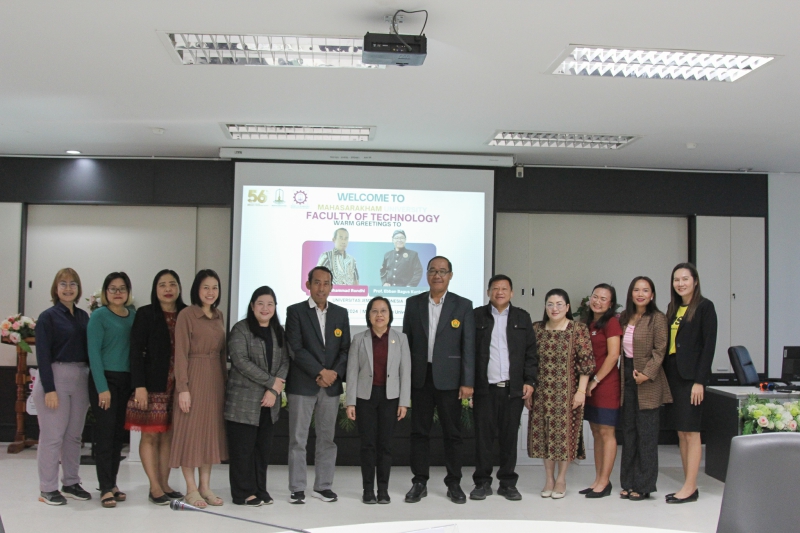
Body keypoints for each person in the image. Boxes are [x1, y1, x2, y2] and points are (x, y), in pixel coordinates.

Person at [402, 256, 475, 504]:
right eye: (433, 270)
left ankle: (453, 483)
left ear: (450, 275)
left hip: (451, 381)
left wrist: (467, 382)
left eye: (443, 271)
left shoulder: (463, 305)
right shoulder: (413, 304)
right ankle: (419, 482)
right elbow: (407, 345)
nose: (437, 275)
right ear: (427, 274)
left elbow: (468, 346)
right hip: (421, 379)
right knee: (419, 433)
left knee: (452, 434)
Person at [285, 266, 351, 504]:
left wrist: (333, 374)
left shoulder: (341, 314)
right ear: (308, 285)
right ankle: (297, 487)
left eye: (326, 283)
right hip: (303, 384)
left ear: (332, 286)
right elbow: (295, 348)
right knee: (298, 439)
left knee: (327, 438)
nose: (321, 288)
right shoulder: (295, 312)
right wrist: (319, 371)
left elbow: (345, 349)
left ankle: (323, 486)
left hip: (330, 386)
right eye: (317, 283)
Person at [470, 275, 537, 502]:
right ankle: (482, 482)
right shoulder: (476, 316)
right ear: (489, 292)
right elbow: (468, 353)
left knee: (509, 438)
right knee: (483, 439)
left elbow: (530, 354)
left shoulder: (522, 318)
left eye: (504, 288)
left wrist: (529, 381)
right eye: (495, 288)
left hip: (512, 389)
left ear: (512, 292)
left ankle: (507, 483)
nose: (500, 292)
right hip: (484, 389)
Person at [125, 269, 187, 505]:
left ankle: (165, 483)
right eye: (162, 284)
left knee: (169, 436)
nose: (168, 289)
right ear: (155, 289)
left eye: (172, 284)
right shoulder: (145, 314)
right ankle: (154, 486)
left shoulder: (185, 313)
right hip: (152, 386)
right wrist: (139, 385)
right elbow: (136, 352)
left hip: (178, 387)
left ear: (179, 288)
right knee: (151, 435)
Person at [225, 286, 290, 507]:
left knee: (262, 450)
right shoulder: (241, 329)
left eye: (270, 304)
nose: (265, 308)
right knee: (243, 450)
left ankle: (260, 489)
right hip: (242, 402)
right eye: (260, 303)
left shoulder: (278, 331)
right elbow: (241, 361)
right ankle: (243, 493)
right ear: (252, 306)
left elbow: (285, 362)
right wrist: (270, 381)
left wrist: (273, 390)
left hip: (269, 402)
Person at [32, 268, 92, 505]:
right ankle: (47, 488)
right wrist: (49, 389)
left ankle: (70, 482)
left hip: (80, 377)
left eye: (73, 284)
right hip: (55, 376)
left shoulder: (83, 317)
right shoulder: (48, 317)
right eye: (63, 284)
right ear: (56, 289)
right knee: (52, 437)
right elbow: (42, 355)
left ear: (78, 289)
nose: (68, 288)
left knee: (74, 436)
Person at [528, 289, 594, 499]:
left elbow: (586, 363)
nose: (554, 308)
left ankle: (561, 479)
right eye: (550, 304)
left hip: (568, 393)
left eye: (559, 304)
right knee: (545, 437)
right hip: (541, 393)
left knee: (564, 437)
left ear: (567, 307)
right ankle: (548, 478)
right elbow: (528, 362)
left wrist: (581, 391)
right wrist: (528, 389)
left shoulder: (578, 329)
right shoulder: (536, 329)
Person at [169, 269, 228, 508]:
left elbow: (223, 354)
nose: (210, 292)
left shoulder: (219, 316)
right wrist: (182, 388)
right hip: (192, 377)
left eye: (214, 287)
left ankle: (205, 486)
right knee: (189, 432)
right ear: (196, 289)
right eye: (206, 287)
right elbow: (180, 354)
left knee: (209, 434)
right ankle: (190, 488)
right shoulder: (187, 315)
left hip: (214, 379)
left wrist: (225, 383)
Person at [345, 297, 411, 504]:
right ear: (368, 315)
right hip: (366, 397)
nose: (379, 315)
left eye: (383, 311)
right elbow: (352, 372)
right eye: (374, 311)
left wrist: (404, 402)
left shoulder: (401, 339)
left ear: (390, 314)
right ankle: (367, 490)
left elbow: (405, 372)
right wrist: (350, 402)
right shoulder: (359, 339)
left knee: (386, 445)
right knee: (368, 445)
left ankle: (383, 490)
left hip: (390, 398)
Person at [664, 263, 717, 504]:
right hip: (673, 376)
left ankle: (690, 486)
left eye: (685, 278)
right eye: (676, 279)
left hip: (691, 379)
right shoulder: (673, 308)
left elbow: (708, 347)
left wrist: (700, 381)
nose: (680, 283)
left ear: (695, 281)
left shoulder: (705, 307)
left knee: (691, 432)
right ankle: (689, 483)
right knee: (681, 432)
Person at [618, 276, 672, 501]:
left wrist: (646, 374)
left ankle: (644, 485)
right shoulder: (624, 317)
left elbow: (661, 350)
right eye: (636, 290)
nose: (640, 294)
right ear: (631, 293)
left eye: (645, 290)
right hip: (627, 378)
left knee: (647, 435)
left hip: (648, 379)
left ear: (652, 295)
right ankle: (628, 482)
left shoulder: (657, 318)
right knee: (629, 433)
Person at [87, 272, 136, 508]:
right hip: (104, 381)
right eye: (113, 288)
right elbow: (93, 354)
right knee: (105, 435)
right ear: (105, 292)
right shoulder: (99, 316)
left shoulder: (133, 316)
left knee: (118, 436)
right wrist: (101, 388)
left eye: (122, 288)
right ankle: (104, 487)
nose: (118, 293)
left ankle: (113, 483)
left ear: (128, 292)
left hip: (125, 382)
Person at [581, 283, 622, 499]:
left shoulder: (612, 323)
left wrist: (596, 380)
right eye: (595, 296)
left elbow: (613, 355)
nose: (597, 301)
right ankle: (597, 479)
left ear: (611, 304)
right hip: (590, 385)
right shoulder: (588, 323)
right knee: (596, 432)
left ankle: (605, 482)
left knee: (607, 433)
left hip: (605, 384)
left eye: (603, 298)